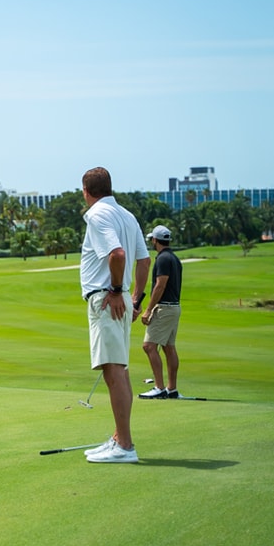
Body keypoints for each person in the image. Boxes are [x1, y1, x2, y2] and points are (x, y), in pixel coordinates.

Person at [78, 167, 151, 464]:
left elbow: (118, 254)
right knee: (119, 370)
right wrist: (135, 298)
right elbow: (144, 260)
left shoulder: (97, 215)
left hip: (106, 298)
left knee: (113, 372)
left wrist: (117, 289)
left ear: (86, 191)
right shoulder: (127, 215)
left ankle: (125, 446)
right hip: (119, 298)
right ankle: (120, 438)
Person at [139, 225, 183, 399]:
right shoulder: (174, 258)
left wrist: (148, 309)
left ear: (155, 240)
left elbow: (160, 285)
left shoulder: (163, 259)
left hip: (164, 308)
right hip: (173, 307)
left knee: (149, 346)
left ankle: (159, 388)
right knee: (168, 347)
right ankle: (171, 389)